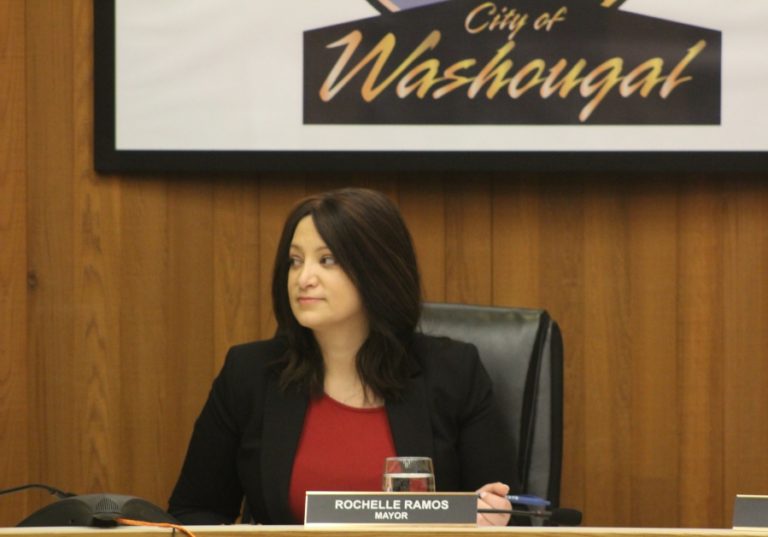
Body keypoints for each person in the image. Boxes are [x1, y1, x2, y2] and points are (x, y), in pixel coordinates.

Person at [168, 188, 519, 526]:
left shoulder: (453, 372)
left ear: (377, 270)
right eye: (294, 261)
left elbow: (512, 512)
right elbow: (195, 510)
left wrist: (493, 514)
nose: (303, 278)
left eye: (327, 260)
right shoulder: (249, 374)